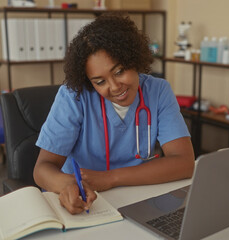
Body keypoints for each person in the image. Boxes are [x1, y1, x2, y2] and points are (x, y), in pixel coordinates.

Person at [34, 13, 194, 214]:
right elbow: (42, 169)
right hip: (85, 201)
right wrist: (67, 185)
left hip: (136, 198)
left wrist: (110, 178)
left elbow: (184, 163)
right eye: (99, 82)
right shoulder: (74, 96)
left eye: (119, 71)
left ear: (134, 59)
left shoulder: (158, 91)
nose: (115, 86)